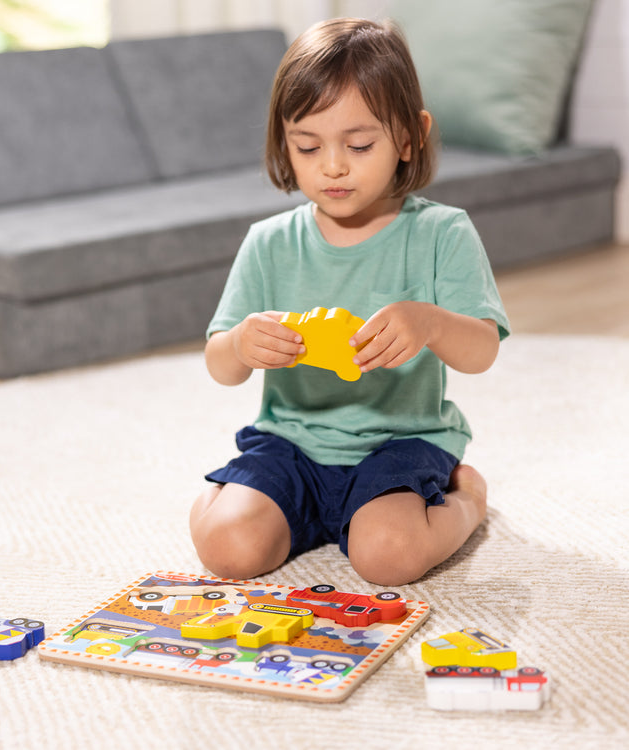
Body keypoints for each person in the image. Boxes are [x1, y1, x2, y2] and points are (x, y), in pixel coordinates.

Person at [189, 17, 510, 586]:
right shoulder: (270, 242)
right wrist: (241, 343)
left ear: (409, 137)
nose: (332, 165)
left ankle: (467, 499)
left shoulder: (442, 233)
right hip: (291, 442)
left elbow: (482, 351)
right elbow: (220, 364)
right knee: (228, 550)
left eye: (359, 144)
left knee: (388, 557)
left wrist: (430, 323)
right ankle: (251, 502)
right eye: (307, 146)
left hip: (401, 442)